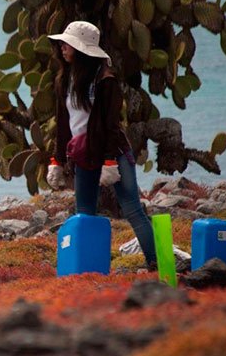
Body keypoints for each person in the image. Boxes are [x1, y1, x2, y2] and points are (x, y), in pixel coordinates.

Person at [46, 21, 157, 268]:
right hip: (85, 154)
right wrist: (57, 160)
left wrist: (109, 162)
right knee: (84, 214)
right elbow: (63, 124)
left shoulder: (106, 81)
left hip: (113, 152)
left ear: (81, 49)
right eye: (62, 44)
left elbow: (110, 125)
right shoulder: (64, 80)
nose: (62, 48)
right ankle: (86, 267)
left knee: (132, 210)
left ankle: (155, 263)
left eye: (68, 44)